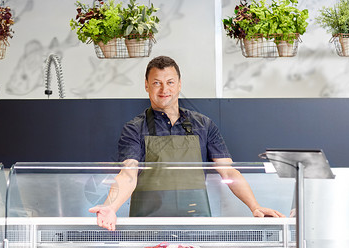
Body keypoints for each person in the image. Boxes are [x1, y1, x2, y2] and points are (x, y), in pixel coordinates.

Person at [89, 56, 285, 231]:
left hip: (196, 223)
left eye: (170, 82)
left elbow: (229, 172)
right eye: (157, 83)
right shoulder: (134, 129)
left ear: (180, 84)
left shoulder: (204, 125)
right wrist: (110, 207)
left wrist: (255, 206)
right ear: (147, 85)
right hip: (148, 226)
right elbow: (127, 175)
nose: (164, 89)